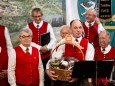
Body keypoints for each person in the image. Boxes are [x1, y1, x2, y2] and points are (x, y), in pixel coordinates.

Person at [46, 20, 95, 86]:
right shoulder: (64, 43)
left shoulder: (89, 45)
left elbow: (89, 65)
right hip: (65, 80)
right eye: (75, 28)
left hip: (81, 80)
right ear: (71, 30)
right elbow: (54, 59)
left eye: (80, 27)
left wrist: (80, 76)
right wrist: (47, 69)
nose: (78, 30)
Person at [26, 8, 56, 86]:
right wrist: (39, 48)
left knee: (47, 76)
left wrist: (47, 47)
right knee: (35, 76)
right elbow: (28, 40)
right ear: (32, 16)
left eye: (39, 16)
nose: (37, 18)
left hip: (46, 56)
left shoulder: (47, 25)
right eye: (35, 16)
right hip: (34, 56)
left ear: (42, 15)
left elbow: (53, 39)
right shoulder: (28, 26)